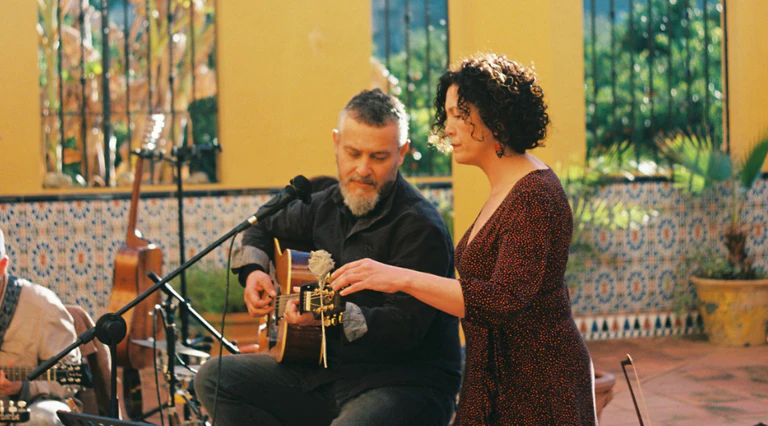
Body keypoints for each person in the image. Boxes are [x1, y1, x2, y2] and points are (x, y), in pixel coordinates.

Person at [331, 54, 597, 425]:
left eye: (460, 114)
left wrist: (398, 277)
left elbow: (502, 300)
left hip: (537, 383)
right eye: (448, 115)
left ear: (496, 116)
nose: (448, 129)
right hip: (493, 378)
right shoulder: (507, 188)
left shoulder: (534, 194)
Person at [194, 89, 461, 426]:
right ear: (336, 143)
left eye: (378, 157)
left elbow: (404, 330)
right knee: (215, 378)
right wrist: (254, 272)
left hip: (403, 383)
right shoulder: (324, 204)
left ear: (402, 153)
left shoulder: (420, 227)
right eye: (353, 153)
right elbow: (262, 224)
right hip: (325, 372)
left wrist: (331, 316)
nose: (362, 169)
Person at [0, 229, 82, 425]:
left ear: (2, 266)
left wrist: (21, 387)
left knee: (42, 417)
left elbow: (70, 378)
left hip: (26, 408)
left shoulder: (42, 306)